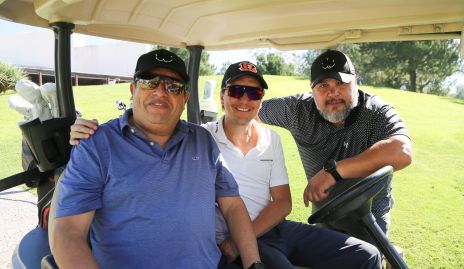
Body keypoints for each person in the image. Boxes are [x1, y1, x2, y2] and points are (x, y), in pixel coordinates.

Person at [70, 60, 382, 269]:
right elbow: (156, 136)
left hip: (271, 228)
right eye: (237, 91)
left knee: (367, 255)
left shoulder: (271, 139)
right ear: (222, 97)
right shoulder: (199, 139)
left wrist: (244, 236)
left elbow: (283, 202)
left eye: (253, 92)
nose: (244, 100)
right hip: (230, 238)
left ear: (261, 100)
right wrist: (85, 132)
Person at [51, 49, 264, 269]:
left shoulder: (202, 140)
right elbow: (69, 232)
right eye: (149, 82)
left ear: (185, 98)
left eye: (173, 86)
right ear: (133, 90)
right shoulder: (96, 145)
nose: (161, 91)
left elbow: (232, 206)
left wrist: (253, 264)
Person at [258, 49, 413, 244]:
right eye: (323, 85)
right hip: (325, 218)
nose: (333, 92)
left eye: (341, 82)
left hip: (371, 220)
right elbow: (250, 109)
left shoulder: (376, 112)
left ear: (355, 82)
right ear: (312, 90)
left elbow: (403, 151)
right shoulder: (298, 111)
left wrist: (333, 172)